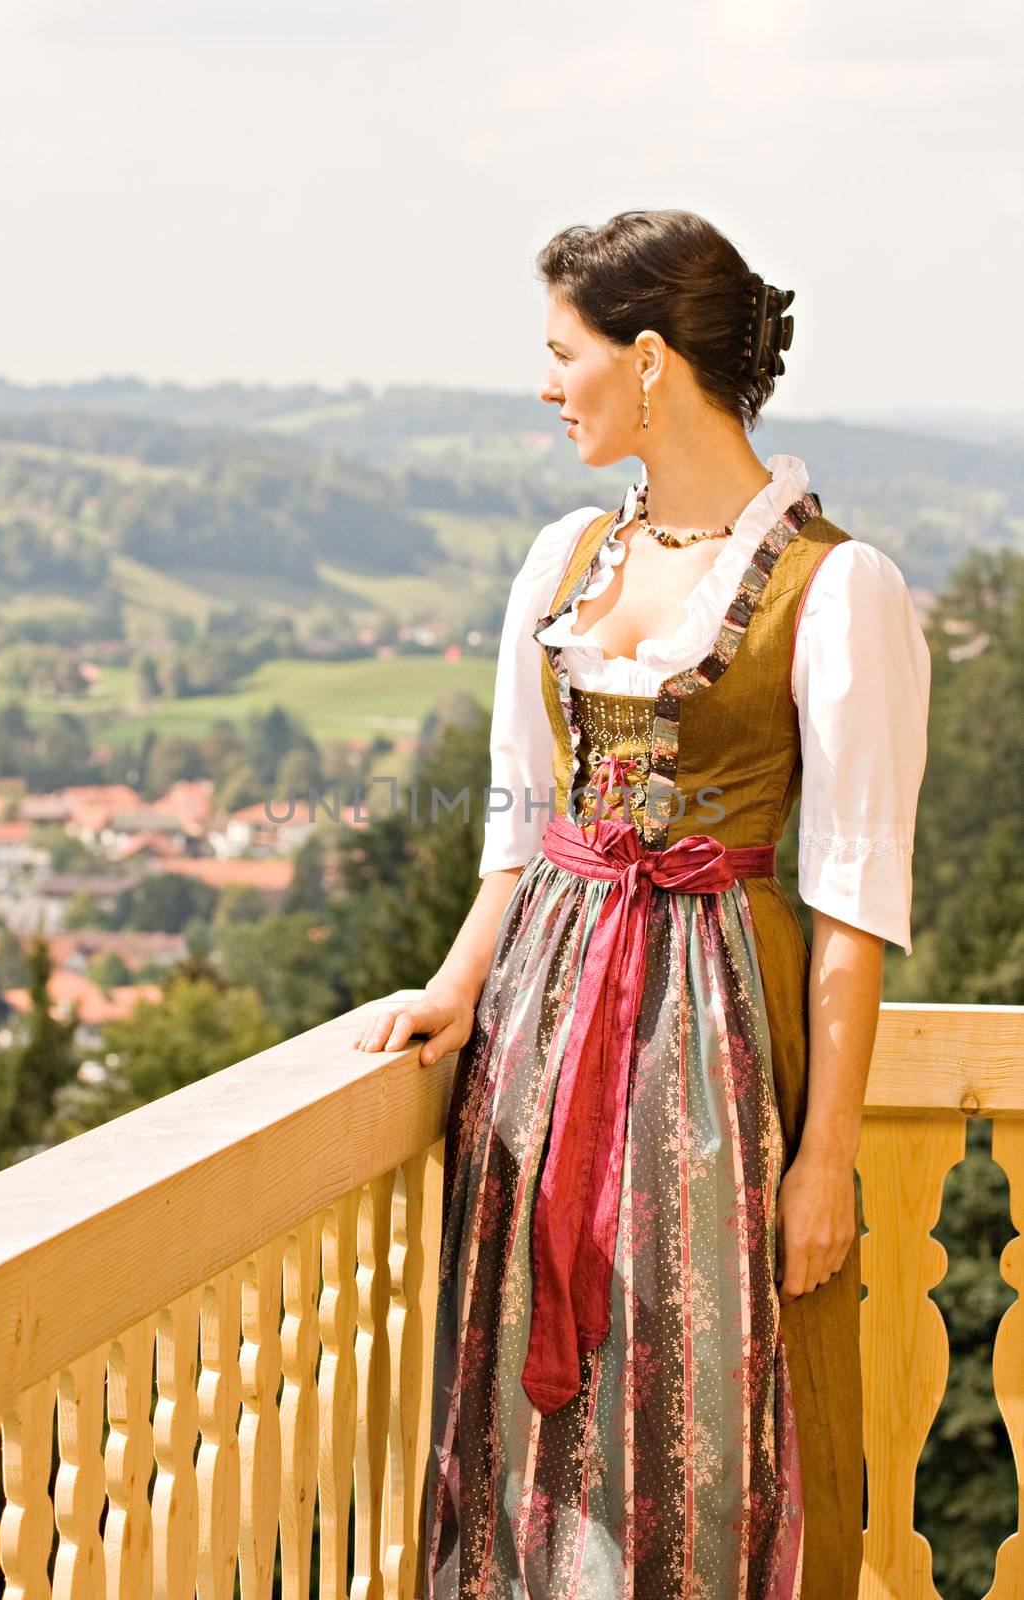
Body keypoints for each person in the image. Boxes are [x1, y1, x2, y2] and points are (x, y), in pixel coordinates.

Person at [352, 209, 930, 1600]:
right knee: (518, 1393)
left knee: (689, 1377)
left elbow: (852, 905)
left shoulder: (836, 588)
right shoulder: (562, 559)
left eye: (566, 354)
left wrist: (824, 1158)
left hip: (710, 1042)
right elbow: (521, 827)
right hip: (536, 1036)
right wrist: (452, 987)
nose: (549, 386)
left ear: (652, 360)